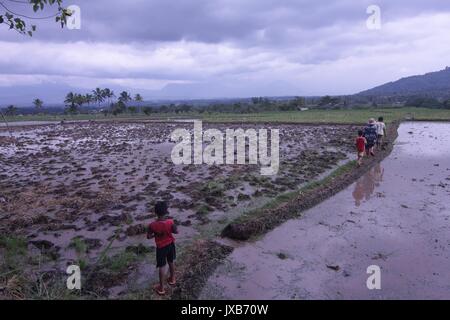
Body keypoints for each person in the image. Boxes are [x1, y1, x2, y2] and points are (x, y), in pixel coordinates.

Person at [147, 201, 178, 296]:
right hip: (170, 244)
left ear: (155, 212)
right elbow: (176, 232)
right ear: (166, 212)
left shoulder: (152, 225)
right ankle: (172, 279)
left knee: (162, 266)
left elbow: (148, 236)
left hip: (161, 247)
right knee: (171, 261)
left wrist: (155, 234)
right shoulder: (170, 222)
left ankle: (161, 288)